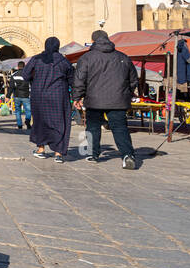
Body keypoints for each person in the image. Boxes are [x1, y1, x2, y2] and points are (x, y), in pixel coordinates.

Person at [72, 30, 139, 169]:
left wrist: (77, 97)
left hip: (94, 100)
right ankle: (127, 155)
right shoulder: (123, 57)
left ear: (93, 40)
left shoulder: (87, 58)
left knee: (93, 127)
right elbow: (133, 79)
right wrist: (127, 92)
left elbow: (79, 80)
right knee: (120, 128)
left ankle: (92, 154)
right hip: (118, 100)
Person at [24, 37, 74, 162]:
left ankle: (41, 149)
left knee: (40, 121)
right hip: (59, 95)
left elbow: (25, 75)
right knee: (60, 122)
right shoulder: (64, 61)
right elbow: (72, 80)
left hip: (39, 95)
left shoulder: (36, 59)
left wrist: (35, 80)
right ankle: (58, 153)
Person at [8, 60, 32, 130]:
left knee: (18, 111)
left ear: (18, 67)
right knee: (28, 110)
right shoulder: (28, 75)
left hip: (17, 95)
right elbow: (31, 85)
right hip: (26, 95)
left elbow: (11, 86)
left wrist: (8, 96)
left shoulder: (14, 75)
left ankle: (19, 125)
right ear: (24, 67)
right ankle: (27, 121)